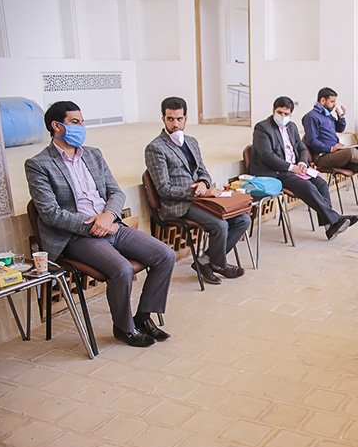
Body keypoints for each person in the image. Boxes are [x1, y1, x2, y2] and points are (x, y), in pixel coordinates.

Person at [26, 101, 176, 348]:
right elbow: (50, 214)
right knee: (122, 270)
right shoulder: (39, 164)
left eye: (82, 122)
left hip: (111, 225)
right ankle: (124, 328)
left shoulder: (93, 154)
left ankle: (143, 317)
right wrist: (95, 225)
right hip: (76, 236)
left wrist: (109, 216)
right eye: (75, 122)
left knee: (165, 255)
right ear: (56, 126)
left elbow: (115, 192)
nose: (81, 127)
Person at [145, 97, 251, 286]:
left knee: (243, 219)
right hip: (179, 204)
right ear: (163, 119)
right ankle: (219, 265)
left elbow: (203, 172)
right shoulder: (155, 148)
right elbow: (163, 189)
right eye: (170, 119)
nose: (175, 124)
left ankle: (204, 262)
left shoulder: (191, 142)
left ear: (186, 118)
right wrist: (196, 192)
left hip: (200, 199)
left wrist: (203, 183)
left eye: (179, 119)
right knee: (220, 225)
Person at [249, 96, 357, 241]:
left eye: (286, 114)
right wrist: (291, 168)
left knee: (321, 184)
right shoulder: (262, 128)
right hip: (274, 171)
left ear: (291, 114)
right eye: (279, 112)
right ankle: (335, 219)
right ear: (273, 110)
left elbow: (302, 149)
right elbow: (267, 156)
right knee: (307, 186)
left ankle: (330, 227)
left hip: (295, 168)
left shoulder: (292, 127)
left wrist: (302, 163)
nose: (282, 116)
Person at [301, 87, 358, 214]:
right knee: (351, 152)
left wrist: (341, 117)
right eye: (332, 102)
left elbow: (340, 129)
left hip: (337, 155)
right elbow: (311, 141)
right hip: (323, 156)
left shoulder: (328, 115)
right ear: (322, 100)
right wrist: (330, 148)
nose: (334, 105)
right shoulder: (311, 117)